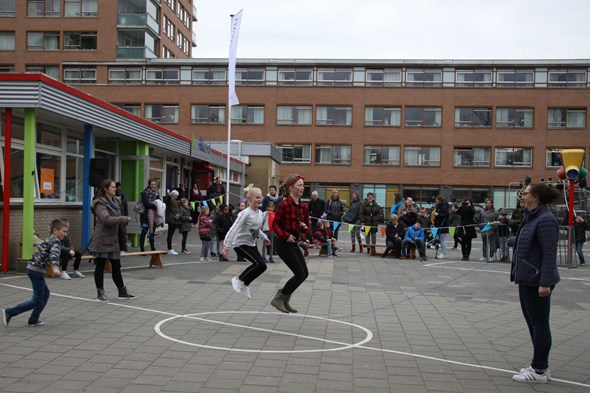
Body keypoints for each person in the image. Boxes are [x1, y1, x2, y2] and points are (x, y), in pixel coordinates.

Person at [510, 183, 561, 384]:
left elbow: (549, 253)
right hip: (526, 277)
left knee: (539, 325)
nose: (522, 196)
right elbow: (529, 241)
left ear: (536, 197)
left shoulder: (546, 219)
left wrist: (545, 282)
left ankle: (539, 370)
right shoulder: (531, 216)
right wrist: (512, 240)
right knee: (533, 324)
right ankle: (541, 364)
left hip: (537, 279)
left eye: (526, 193)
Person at [3, 219, 66, 327]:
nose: (65, 234)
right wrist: (55, 268)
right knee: (37, 299)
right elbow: (54, 255)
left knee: (45, 294)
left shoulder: (49, 239)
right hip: (36, 271)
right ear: (55, 230)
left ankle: (33, 319)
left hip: (33, 269)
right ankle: (10, 312)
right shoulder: (55, 241)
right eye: (64, 231)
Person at [271, 175, 310, 313]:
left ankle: (285, 299)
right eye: (299, 185)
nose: (302, 188)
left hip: (294, 244)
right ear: (291, 188)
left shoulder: (304, 207)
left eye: (303, 185)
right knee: (299, 274)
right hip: (283, 244)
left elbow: (307, 227)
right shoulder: (284, 204)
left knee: (305, 273)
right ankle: (279, 298)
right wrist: (285, 235)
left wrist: (304, 228)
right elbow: (275, 224)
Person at [91, 179, 135, 302]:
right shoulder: (100, 203)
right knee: (100, 265)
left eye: (115, 187)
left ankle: (122, 291)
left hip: (115, 238)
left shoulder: (116, 200)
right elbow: (106, 219)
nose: (115, 189)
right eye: (112, 187)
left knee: (116, 265)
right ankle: (100, 292)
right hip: (102, 238)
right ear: (105, 189)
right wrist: (123, 219)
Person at [223, 187, 271, 299]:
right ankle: (238, 280)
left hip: (251, 244)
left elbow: (255, 229)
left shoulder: (260, 213)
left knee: (262, 266)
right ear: (249, 198)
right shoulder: (245, 213)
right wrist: (226, 247)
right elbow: (233, 229)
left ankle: (244, 284)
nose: (259, 200)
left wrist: (264, 237)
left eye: (261, 197)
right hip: (240, 244)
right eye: (257, 197)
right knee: (259, 264)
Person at [139, 179, 161, 252]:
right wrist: (154, 205)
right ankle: (142, 249)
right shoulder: (145, 193)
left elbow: (159, 203)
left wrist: (153, 204)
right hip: (145, 216)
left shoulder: (157, 193)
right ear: (149, 184)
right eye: (151, 184)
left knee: (152, 232)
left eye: (154, 184)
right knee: (144, 232)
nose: (153, 186)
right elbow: (146, 204)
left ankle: (152, 247)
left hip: (154, 216)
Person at [164, 190, 181, 255]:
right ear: (173, 195)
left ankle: (170, 248)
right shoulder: (170, 199)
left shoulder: (174, 200)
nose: (177, 197)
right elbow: (167, 197)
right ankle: (169, 249)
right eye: (176, 195)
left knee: (171, 235)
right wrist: (169, 193)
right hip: (172, 219)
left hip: (174, 219)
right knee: (170, 235)